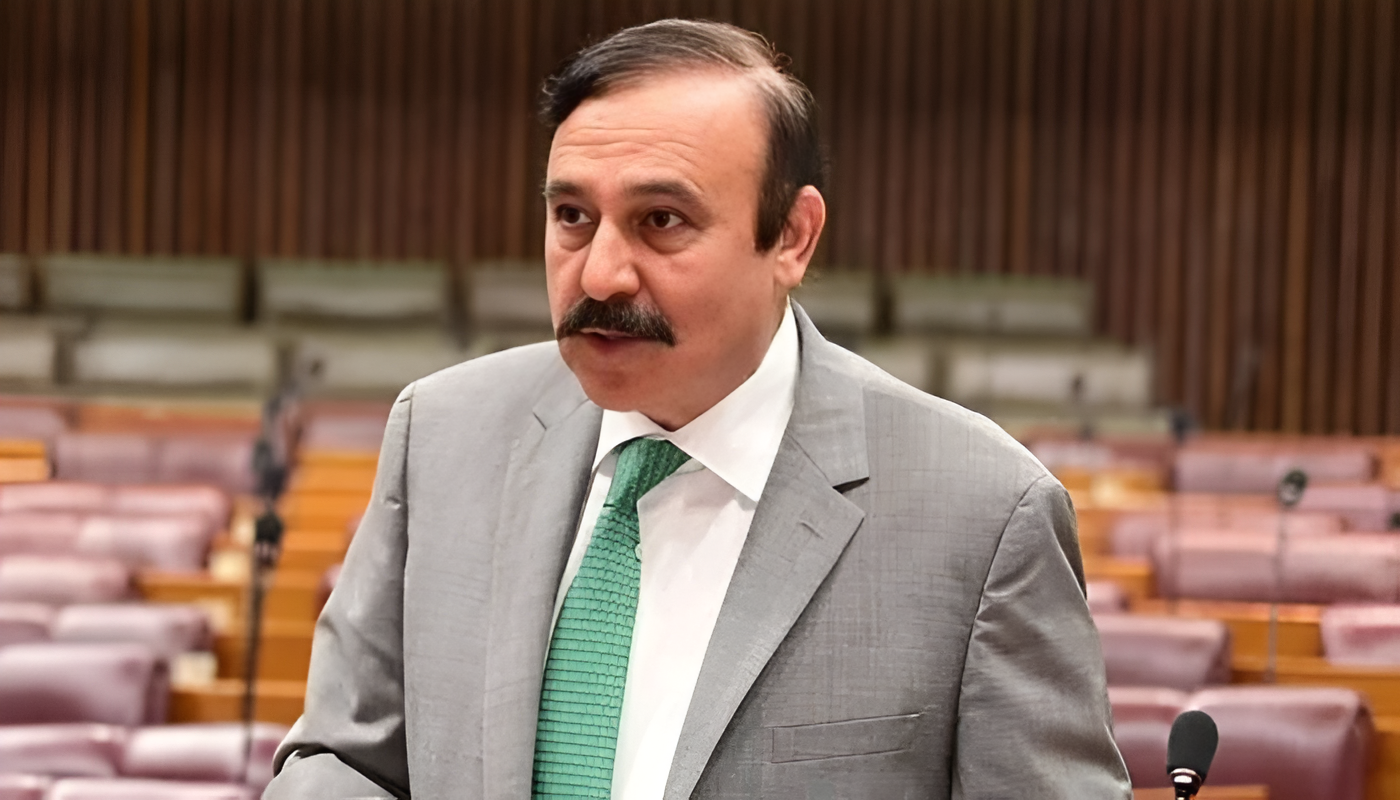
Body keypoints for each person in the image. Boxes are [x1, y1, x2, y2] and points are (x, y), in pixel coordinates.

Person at [266, 19, 1131, 800]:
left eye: (661, 220)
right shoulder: (444, 434)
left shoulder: (984, 516)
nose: (600, 274)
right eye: (572, 216)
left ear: (792, 236)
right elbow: (344, 758)